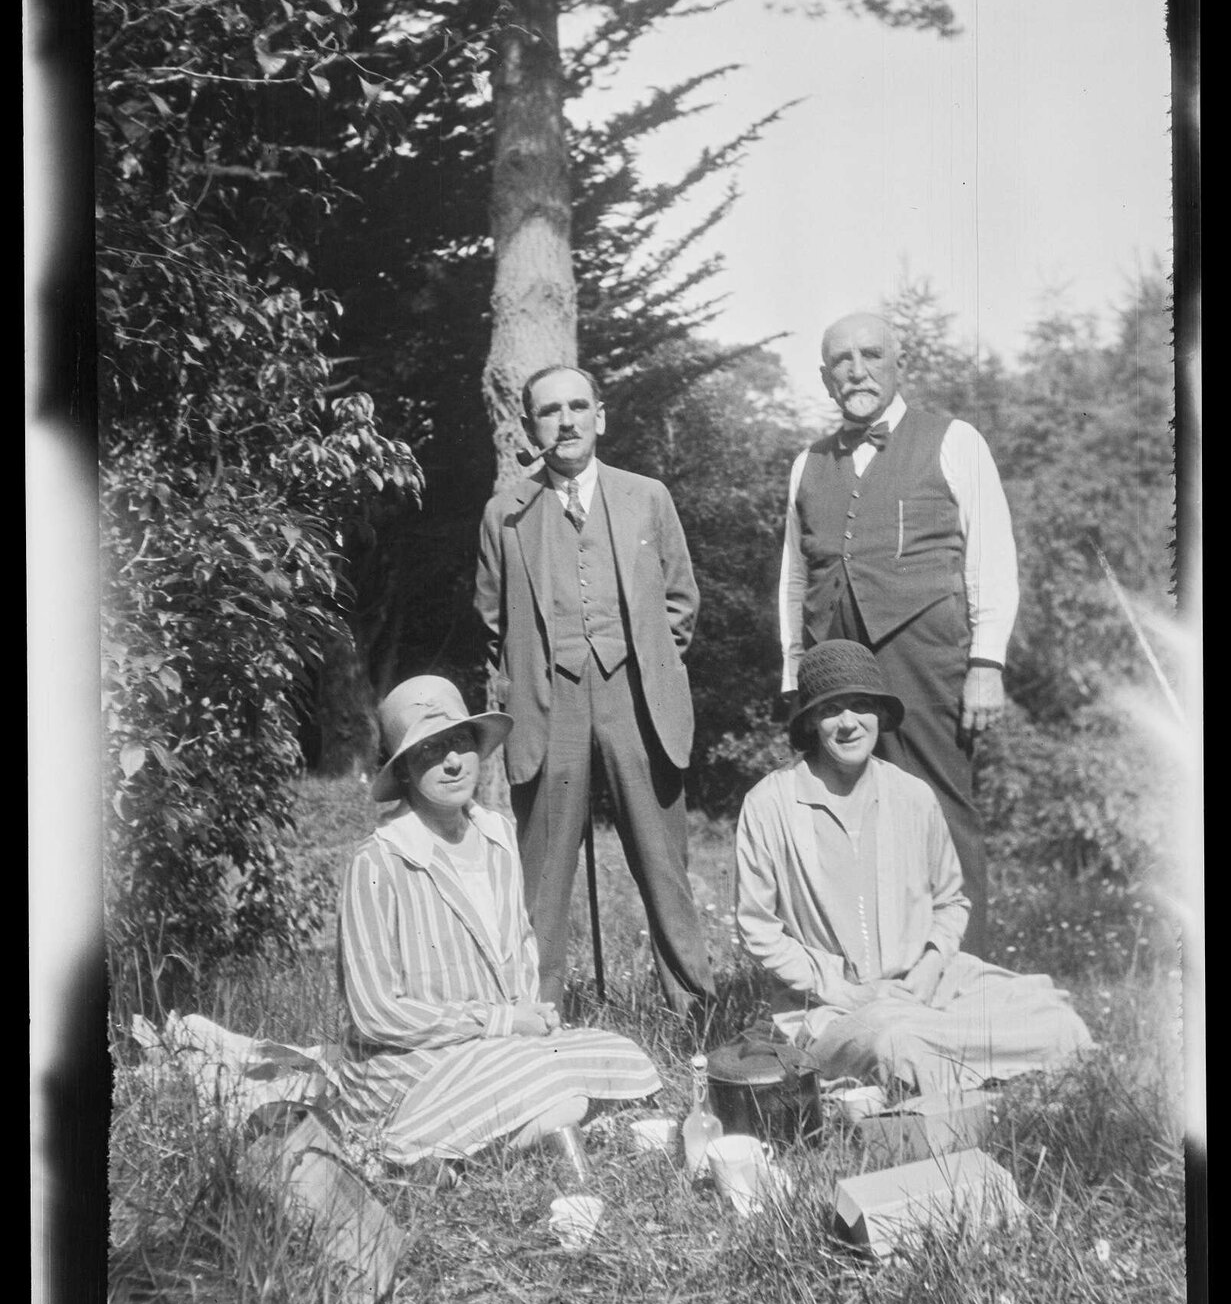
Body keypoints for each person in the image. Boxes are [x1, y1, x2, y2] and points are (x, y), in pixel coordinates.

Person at [334, 675, 662, 1175]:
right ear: (404, 770)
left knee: (624, 1054)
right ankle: (425, 1157)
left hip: (496, 1049)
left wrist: (528, 1016)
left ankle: (497, 1135)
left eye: (461, 742)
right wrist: (500, 1023)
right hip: (407, 1061)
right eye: (430, 750)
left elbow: (520, 947)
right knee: (552, 1085)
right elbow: (375, 1013)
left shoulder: (498, 835)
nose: (452, 762)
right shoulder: (378, 862)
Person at [736, 642, 1091, 1097]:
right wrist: (844, 991)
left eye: (861, 705)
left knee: (1059, 1021)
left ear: (880, 715)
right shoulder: (769, 804)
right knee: (896, 1043)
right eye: (831, 709)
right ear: (809, 722)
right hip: (833, 1006)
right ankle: (955, 1066)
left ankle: (945, 1060)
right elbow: (757, 927)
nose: (849, 723)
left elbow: (951, 901)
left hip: (931, 984)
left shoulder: (913, 795)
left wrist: (928, 968)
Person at [475, 365, 716, 1018]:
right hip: (547, 703)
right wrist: (538, 669)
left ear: (599, 416)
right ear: (530, 428)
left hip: (634, 698)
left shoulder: (647, 497)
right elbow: (492, 621)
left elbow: (680, 602)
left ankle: (694, 1013)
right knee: (543, 872)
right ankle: (537, 1017)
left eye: (578, 406)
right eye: (550, 411)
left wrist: (644, 665)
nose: (566, 421)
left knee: (662, 862)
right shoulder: (505, 514)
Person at [778, 310, 1019, 957]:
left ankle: (962, 977)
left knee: (940, 808)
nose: (856, 370)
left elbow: (991, 555)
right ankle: (870, 974)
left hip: (925, 656)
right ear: (825, 378)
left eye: (871, 355)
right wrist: (792, 670)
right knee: (847, 814)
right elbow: (794, 577)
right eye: (842, 360)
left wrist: (986, 663)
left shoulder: (954, 441)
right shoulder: (806, 464)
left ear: (897, 364)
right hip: (834, 664)